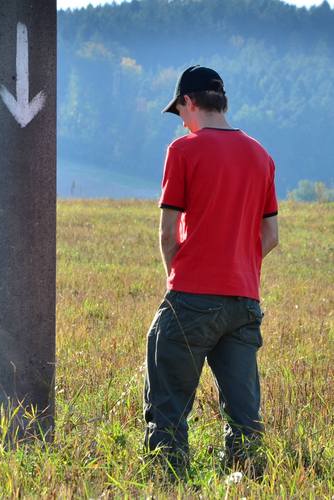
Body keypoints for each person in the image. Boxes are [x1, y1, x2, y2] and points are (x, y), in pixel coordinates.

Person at [142, 65, 279, 479]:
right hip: (244, 300)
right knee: (242, 410)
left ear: (190, 102)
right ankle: (242, 479)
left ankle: (169, 481)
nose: (181, 120)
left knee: (167, 402)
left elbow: (168, 233)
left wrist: (176, 280)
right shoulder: (260, 155)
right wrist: (238, 263)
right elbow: (270, 234)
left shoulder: (183, 151)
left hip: (192, 297)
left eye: (179, 110)